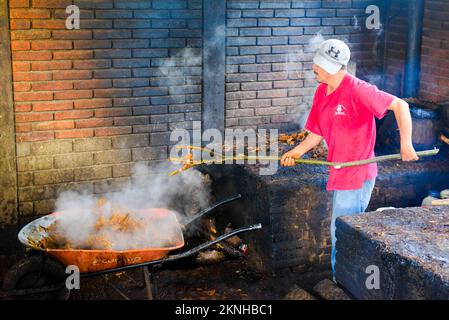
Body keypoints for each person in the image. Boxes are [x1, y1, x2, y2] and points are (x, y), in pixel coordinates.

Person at [280, 39, 419, 280]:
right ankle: (346, 279)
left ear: (335, 67)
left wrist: (406, 144)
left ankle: (344, 282)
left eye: (320, 66)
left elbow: (401, 105)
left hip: (356, 174)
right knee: (343, 230)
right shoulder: (322, 91)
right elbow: (317, 131)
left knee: (343, 233)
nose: (315, 68)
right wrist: (297, 152)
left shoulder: (358, 89)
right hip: (339, 171)